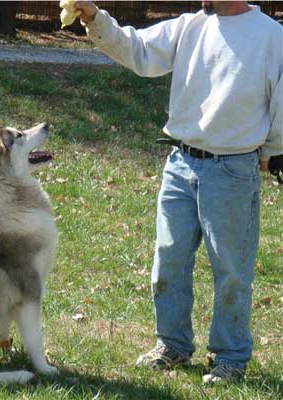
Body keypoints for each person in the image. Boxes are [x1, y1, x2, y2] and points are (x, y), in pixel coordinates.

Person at [74, 1, 283, 384]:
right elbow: (138, 51)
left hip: (233, 169)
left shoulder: (272, 36)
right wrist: (94, 18)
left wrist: (273, 152)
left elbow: (282, 104)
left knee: (232, 270)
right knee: (168, 260)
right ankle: (173, 345)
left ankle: (231, 357)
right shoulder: (189, 26)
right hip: (181, 163)